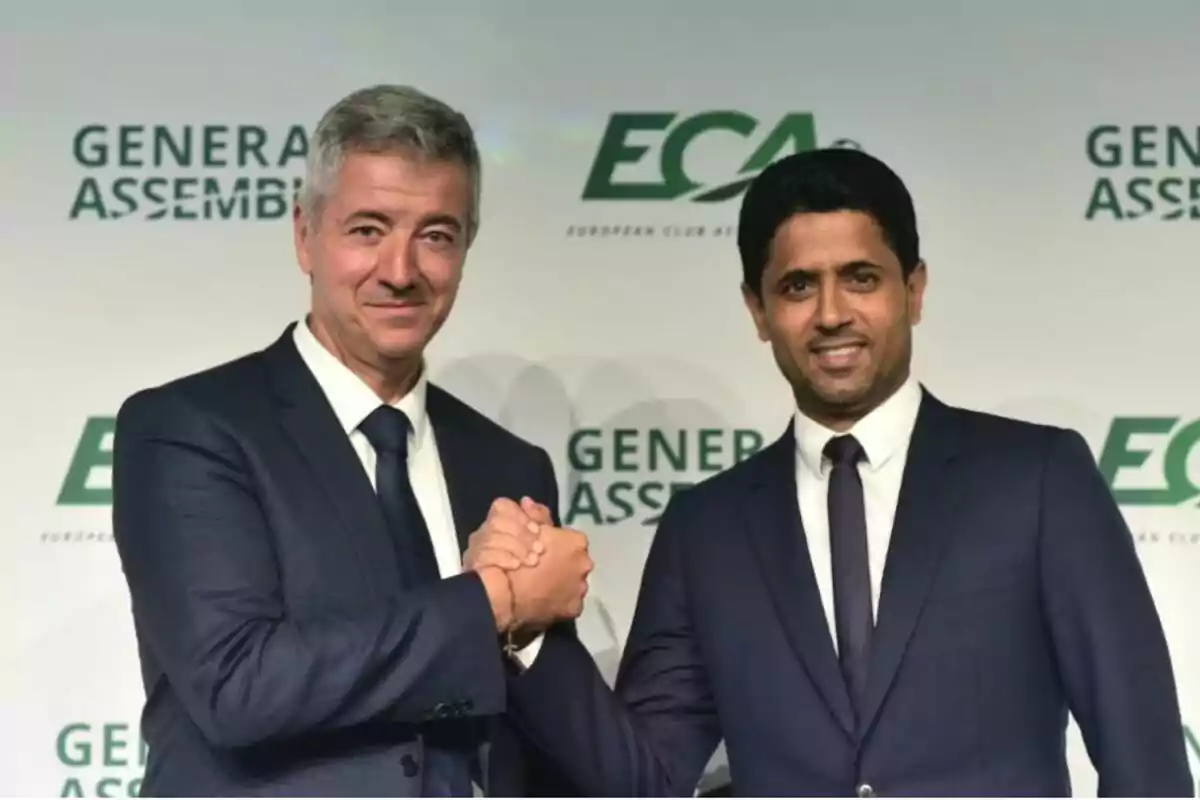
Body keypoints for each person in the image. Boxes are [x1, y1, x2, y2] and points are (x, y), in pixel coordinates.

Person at [488, 148, 1194, 796]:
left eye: (861, 279)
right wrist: (526, 628)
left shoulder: (1038, 481)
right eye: (798, 286)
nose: (831, 314)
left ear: (913, 290)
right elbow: (643, 779)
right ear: (757, 311)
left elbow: (1144, 759)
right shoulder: (706, 530)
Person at [110, 84, 592, 796]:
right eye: (368, 230)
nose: (401, 272)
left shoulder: (509, 465)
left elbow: (535, 737)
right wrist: (496, 601)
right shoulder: (190, 430)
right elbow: (239, 685)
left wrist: (528, 635)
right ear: (305, 235)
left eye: (436, 235)